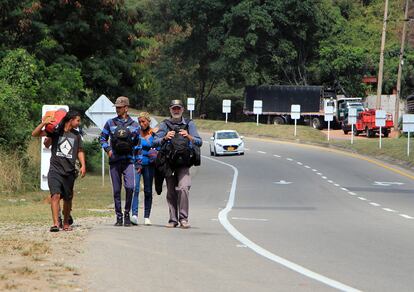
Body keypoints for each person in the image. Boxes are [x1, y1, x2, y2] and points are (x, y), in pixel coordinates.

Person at [32, 110, 86, 232]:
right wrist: (44, 123)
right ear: (71, 120)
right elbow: (35, 134)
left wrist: (83, 165)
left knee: (67, 199)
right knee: (55, 196)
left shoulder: (76, 135)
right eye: (77, 120)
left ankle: (66, 223)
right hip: (55, 170)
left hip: (69, 171)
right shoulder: (55, 132)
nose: (79, 123)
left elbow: (80, 151)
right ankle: (56, 223)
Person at [153, 100, 202, 229]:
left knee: (184, 188)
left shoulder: (189, 124)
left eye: (178, 108)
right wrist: (165, 137)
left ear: (182, 110)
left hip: (184, 163)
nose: (176, 111)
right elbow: (154, 142)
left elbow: (199, 141)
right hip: (169, 164)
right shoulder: (165, 124)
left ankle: (183, 219)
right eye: (174, 108)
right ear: (170, 110)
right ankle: (173, 219)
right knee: (170, 192)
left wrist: (189, 136)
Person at [99, 96, 141, 227]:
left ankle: (127, 213)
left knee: (130, 187)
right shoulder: (110, 123)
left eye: (120, 107)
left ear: (126, 108)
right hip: (115, 161)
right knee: (116, 190)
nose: (117, 109)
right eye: (116, 107)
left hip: (128, 161)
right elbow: (102, 138)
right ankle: (118, 216)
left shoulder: (134, 125)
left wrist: (138, 162)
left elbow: (138, 145)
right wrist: (108, 150)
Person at [131, 112, 158, 226]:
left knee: (148, 190)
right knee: (135, 189)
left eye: (143, 121)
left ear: (148, 121)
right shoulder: (136, 133)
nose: (141, 124)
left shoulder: (154, 134)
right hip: (137, 164)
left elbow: (159, 145)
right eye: (140, 122)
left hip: (149, 165)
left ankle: (147, 216)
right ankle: (134, 215)